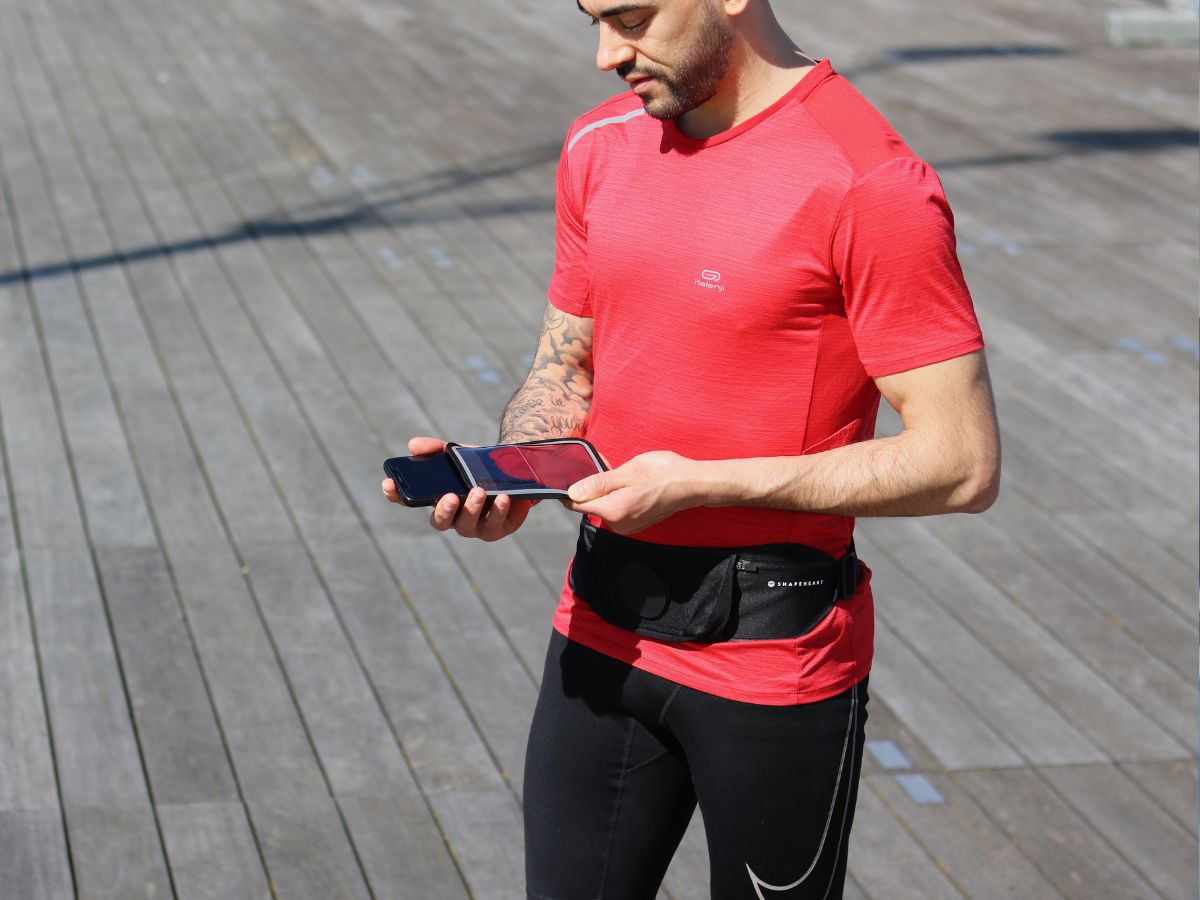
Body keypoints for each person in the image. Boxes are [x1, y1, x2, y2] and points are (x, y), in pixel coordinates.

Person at [383, 0, 1001, 896]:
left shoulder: (871, 183)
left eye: (631, 18)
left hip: (771, 658)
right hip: (600, 624)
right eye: (593, 20)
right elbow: (567, 364)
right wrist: (516, 471)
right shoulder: (600, 145)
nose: (605, 55)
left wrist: (697, 484)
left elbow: (962, 461)